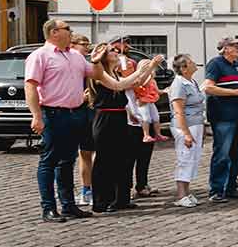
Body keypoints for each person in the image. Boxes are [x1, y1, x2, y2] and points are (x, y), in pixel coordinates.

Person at [24, 19, 96, 223]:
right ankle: (48, 208)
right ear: (54, 32)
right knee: (49, 161)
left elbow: (95, 74)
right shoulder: (39, 56)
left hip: (76, 113)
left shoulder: (75, 56)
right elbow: (30, 86)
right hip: (53, 114)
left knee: (68, 161)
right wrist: (36, 115)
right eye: (67, 29)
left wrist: (98, 60)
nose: (71, 32)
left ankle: (68, 206)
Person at [86, 42, 162, 213]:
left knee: (122, 159)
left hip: (120, 117)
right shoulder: (99, 73)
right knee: (104, 160)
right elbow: (119, 86)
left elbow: (134, 82)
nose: (117, 53)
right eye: (112, 51)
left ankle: (120, 198)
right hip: (106, 118)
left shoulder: (114, 73)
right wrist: (143, 68)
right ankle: (100, 201)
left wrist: (150, 68)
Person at [201, 36, 238, 203]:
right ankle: (216, 190)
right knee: (222, 153)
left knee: (237, 153)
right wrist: (235, 93)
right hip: (223, 116)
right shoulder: (216, 63)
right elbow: (208, 87)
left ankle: (231, 187)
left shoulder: (236, 66)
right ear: (225, 48)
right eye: (234, 45)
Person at [167, 54, 206, 208]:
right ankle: (181, 194)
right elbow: (179, 111)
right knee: (185, 157)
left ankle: (187, 192)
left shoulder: (191, 81)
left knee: (193, 159)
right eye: (190, 62)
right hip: (185, 126)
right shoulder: (179, 84)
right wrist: (186, 134)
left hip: (196, 124)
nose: (194, 63)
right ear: (183, 68)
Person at [70, 33, 97, 208]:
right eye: (83, 44)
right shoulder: (71, 65)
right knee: (83, 154)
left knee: (92, 153)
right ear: (72, 45)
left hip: (91, 112)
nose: (87, 47)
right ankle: (85, 189)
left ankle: (94, 188)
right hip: (77, 113)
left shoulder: (88, 65)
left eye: (88, 44)